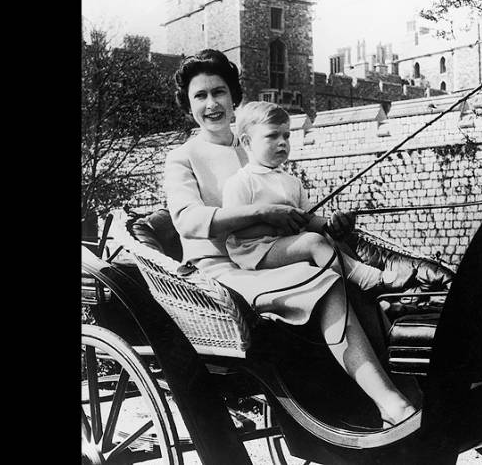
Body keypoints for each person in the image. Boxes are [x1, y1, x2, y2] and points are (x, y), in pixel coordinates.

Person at [164, 49, 417, 427]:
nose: (212, 104)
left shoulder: (256, 141)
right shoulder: (183, 157)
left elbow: (291, 204)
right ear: (189, 106)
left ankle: (391, 393)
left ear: (234, 97)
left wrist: (324, 224)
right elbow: (186, 219)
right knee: (327, 283)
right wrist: (260, 214)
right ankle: (387, 403)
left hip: (278, 256)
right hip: (222, 270)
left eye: (219, 92)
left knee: (340, 264)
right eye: (200, 96)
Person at [222, 100, 415, 293]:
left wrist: (331, 222)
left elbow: (308, 219)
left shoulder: (292, 182)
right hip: (255, 252)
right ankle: (370, 279)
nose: (282, 142)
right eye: (272, 136)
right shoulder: (241, 182)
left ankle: (371, 298)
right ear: (247, 142)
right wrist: (274, 224)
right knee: (312, 242)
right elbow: (233, 226)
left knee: (334, 242)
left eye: (286, 136)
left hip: (286, 245)